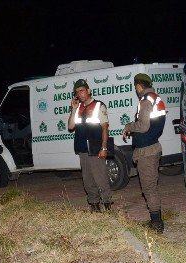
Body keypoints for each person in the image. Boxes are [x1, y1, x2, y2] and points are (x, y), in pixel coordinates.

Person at [122, 73, 166, 233]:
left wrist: (128, 126)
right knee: (151, 186)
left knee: (149, 188)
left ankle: (157, 224)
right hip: (151, 148)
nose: (135, 89)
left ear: (138, 85)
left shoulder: (146, 100)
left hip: (147, 151)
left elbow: (143, 125)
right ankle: (156, 220)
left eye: (135, 86)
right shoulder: (154, 98)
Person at [68, 79, 112, 212]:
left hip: (95, 147)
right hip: (82, 148)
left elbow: (105, 128)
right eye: (77, 92)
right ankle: (94, 204)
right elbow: (70, 126)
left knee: (100, 177)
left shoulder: (99, 105)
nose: (80, 94)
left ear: (88, 91)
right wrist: (73, 109)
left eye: (82, 90)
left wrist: (104, 148)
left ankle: (107, 203)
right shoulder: (78, 108)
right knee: (87, 179)